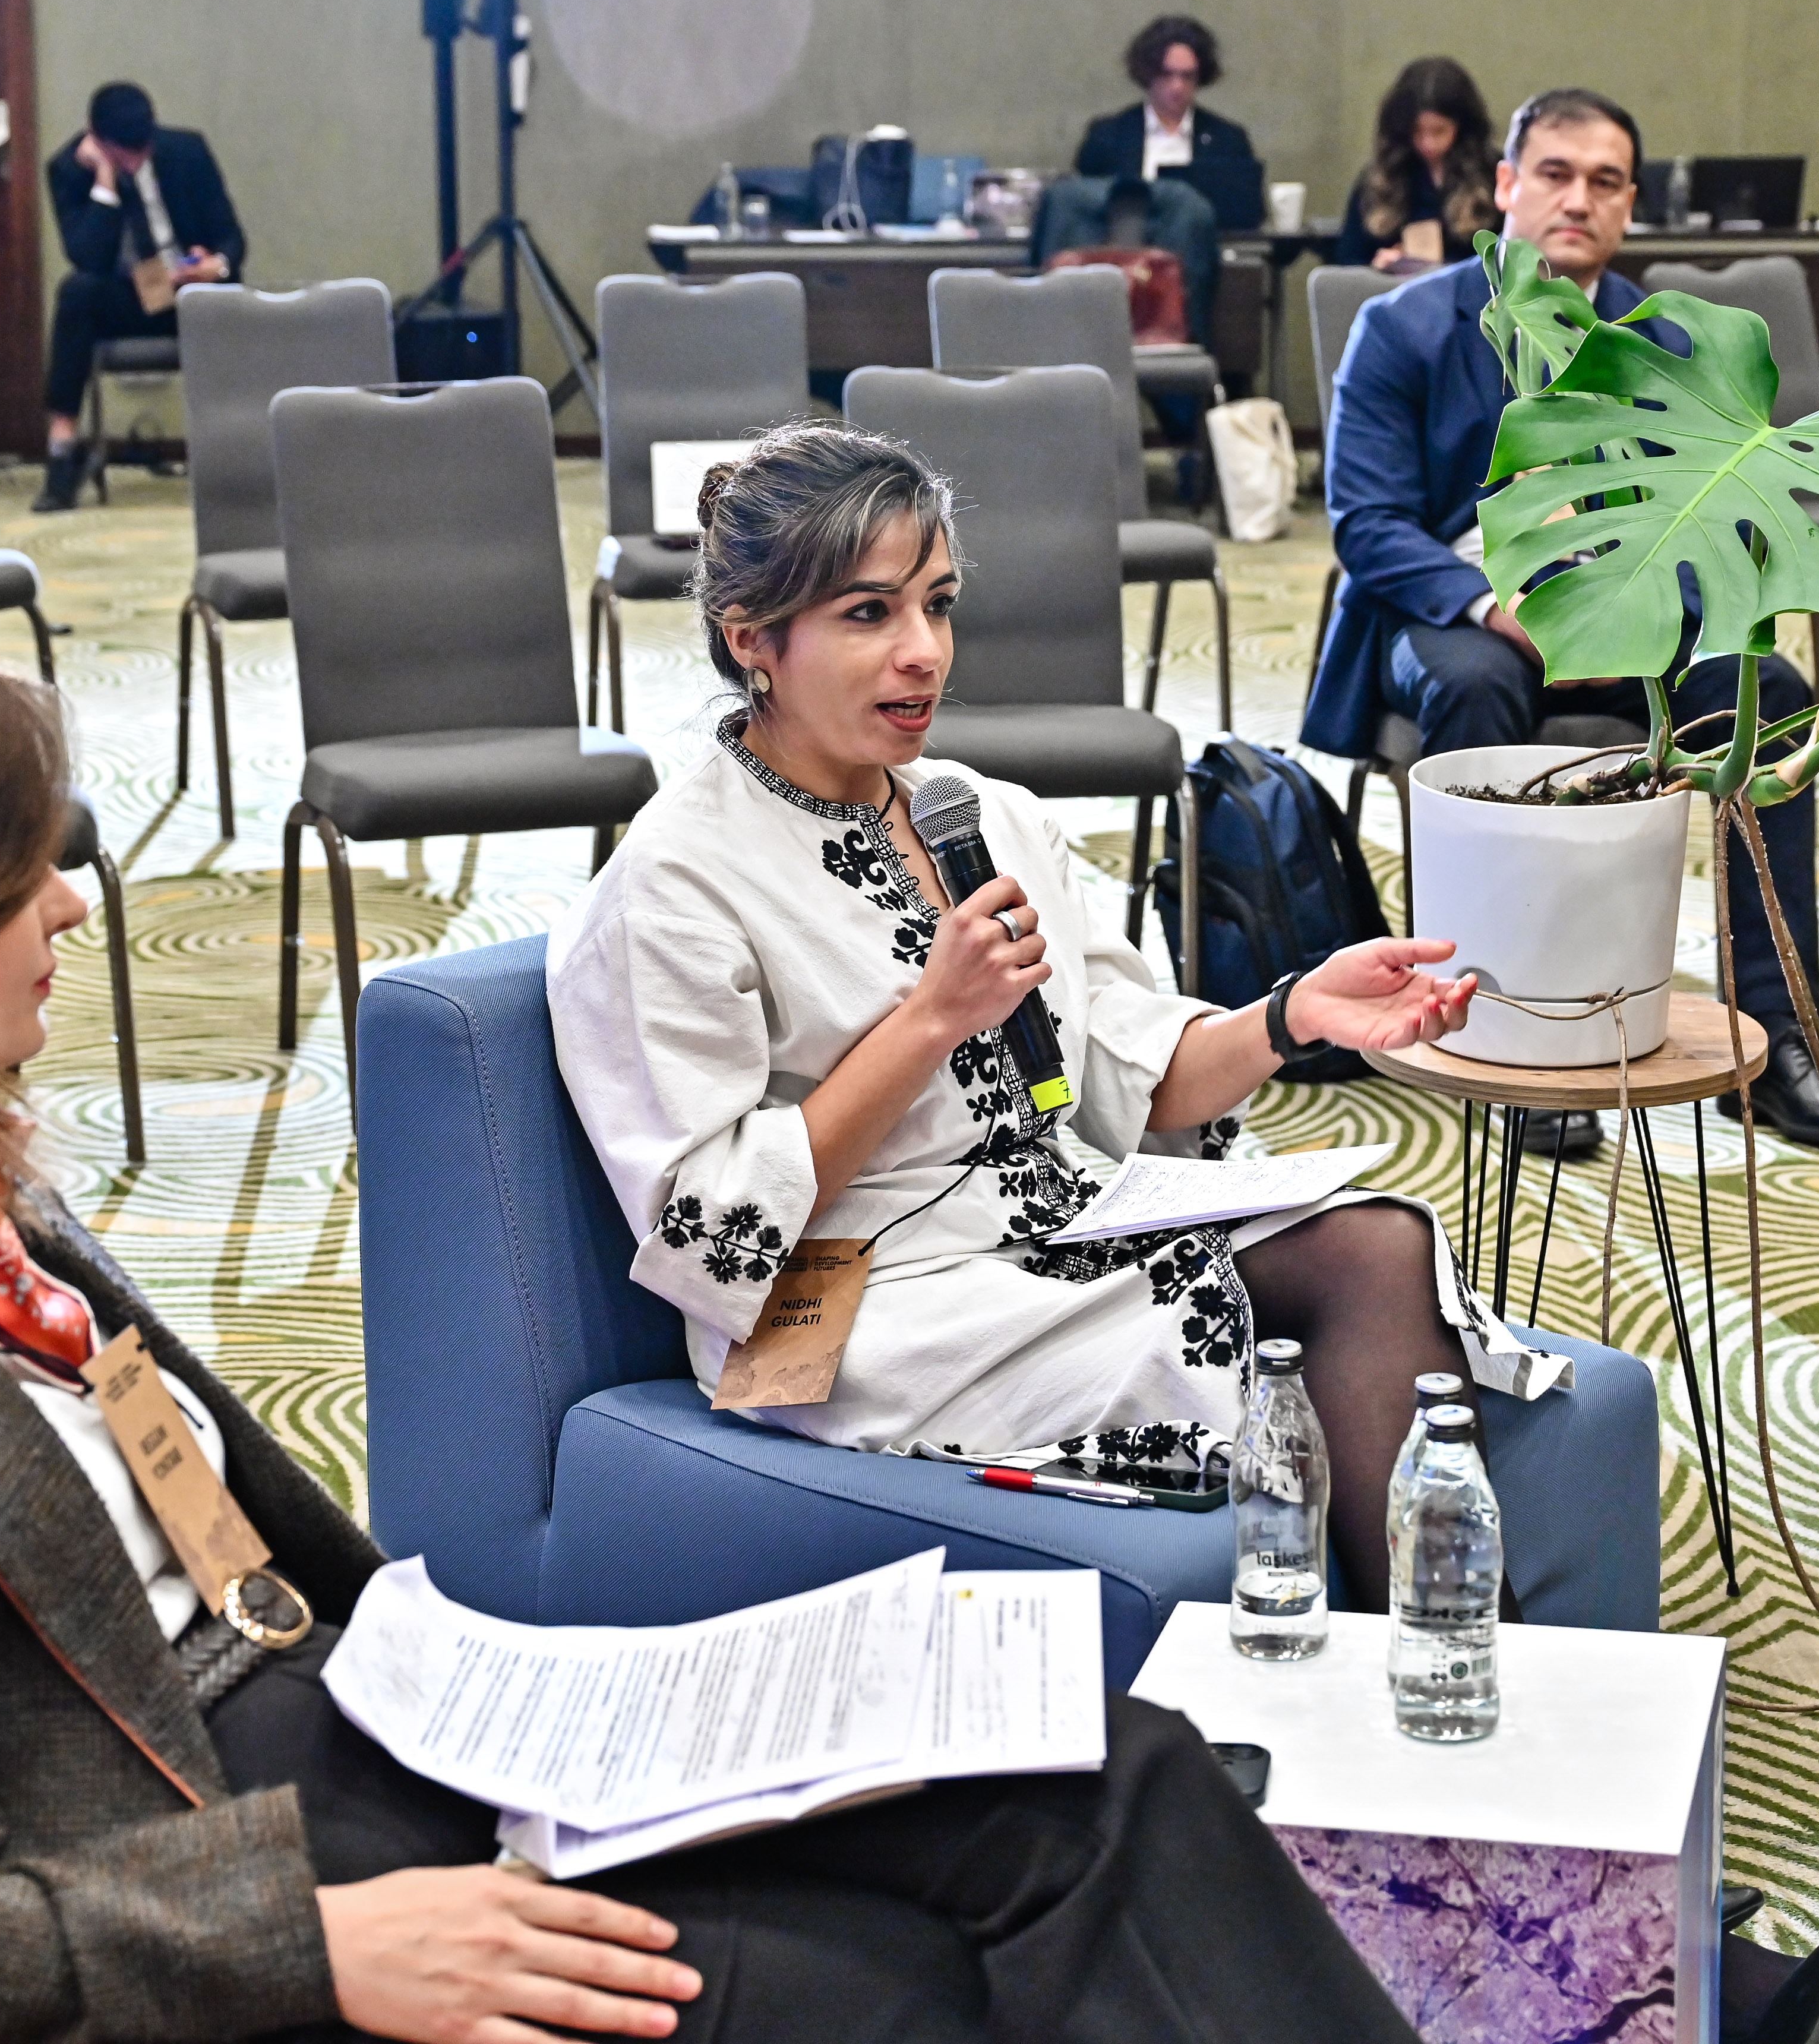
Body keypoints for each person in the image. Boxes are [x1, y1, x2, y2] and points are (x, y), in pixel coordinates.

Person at [0, 618, 1425, 2044]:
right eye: (16, 871)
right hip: (231, 1860)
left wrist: (559, 1699)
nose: (76, 908)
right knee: (911, 1982)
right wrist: (315, 1939)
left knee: (1104, 1761)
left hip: (393, 1714)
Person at [549, 426, 1580, 1615]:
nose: (924, 653)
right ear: (754, 642)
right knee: (1289, 1299)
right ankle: (1441, 1693)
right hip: (856, 1299)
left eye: (937, 605)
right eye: (869, 615)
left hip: (1061, 1217)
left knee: (1375, 1243)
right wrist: (929, 1022)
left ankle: (1441, 1676)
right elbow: (713, 1231)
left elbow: (1132, 1079)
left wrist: (1297, 1016)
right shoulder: (674, 885)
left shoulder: (980, 815)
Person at [1298, 86, 1819, 1155]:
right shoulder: (1405, 326)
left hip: (1643, 609)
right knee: (1480, 683)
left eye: (1605, 181)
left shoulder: (1668, 340)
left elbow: (1721, 511)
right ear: (1507, 186)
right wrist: (1501, 606)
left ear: (1628, 204)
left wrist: (1647, 610)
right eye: (1555, 174)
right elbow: (1368, 523)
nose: (1579, 199)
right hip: (1456, 607)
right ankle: (1508, 1034)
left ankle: (1782, 1038)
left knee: (1770, 699)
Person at [38, 80, 242, 513]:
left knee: (233, 301)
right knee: (76, 293)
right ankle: (62, 451)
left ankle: (236, 452)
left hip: (192, 293)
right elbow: (89, 258)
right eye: (122, 154)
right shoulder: (67, 171)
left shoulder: (186, 151)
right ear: (96, 138)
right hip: (131, 294)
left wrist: (216, 265)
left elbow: (231, 236)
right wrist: (106, 182)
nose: (135, 160)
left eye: (141, 151)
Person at [1041, 13, 1253, 347]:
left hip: (1190, 262)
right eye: (1167, 75)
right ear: (1147, 74)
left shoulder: (1227, 139)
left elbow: (1245, 212)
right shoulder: (1108, 136)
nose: (1177, 87)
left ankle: (1185, 347)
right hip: (1118, 261)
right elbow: (1083, 209)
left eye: (1188, 76)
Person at [1338, 56, 1499, 270]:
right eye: (1416, 131)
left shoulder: (1494, 173)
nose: (1428, 144)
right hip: (1393, 296)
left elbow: (1511, 262)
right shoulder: (1378, 177)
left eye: (1439, 131)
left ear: (1463, 126)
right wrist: (1376, 268)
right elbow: (1347, 261)